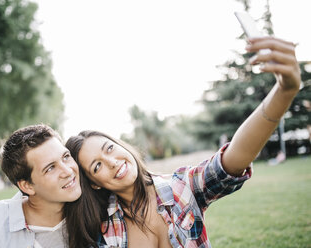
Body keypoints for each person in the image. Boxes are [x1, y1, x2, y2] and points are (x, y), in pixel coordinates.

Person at [64, 36, 301, 248]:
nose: (112, 162)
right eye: (97, 166)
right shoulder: (101, 231)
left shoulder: (182, 187)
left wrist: (284, 91)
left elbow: (234, 158)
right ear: (93, 183)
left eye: (110, 149)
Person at [0, 124, 82, 248]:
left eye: (66, 157)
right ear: (27, 186)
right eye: (50, 168)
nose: (68, 171)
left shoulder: (90, 218)